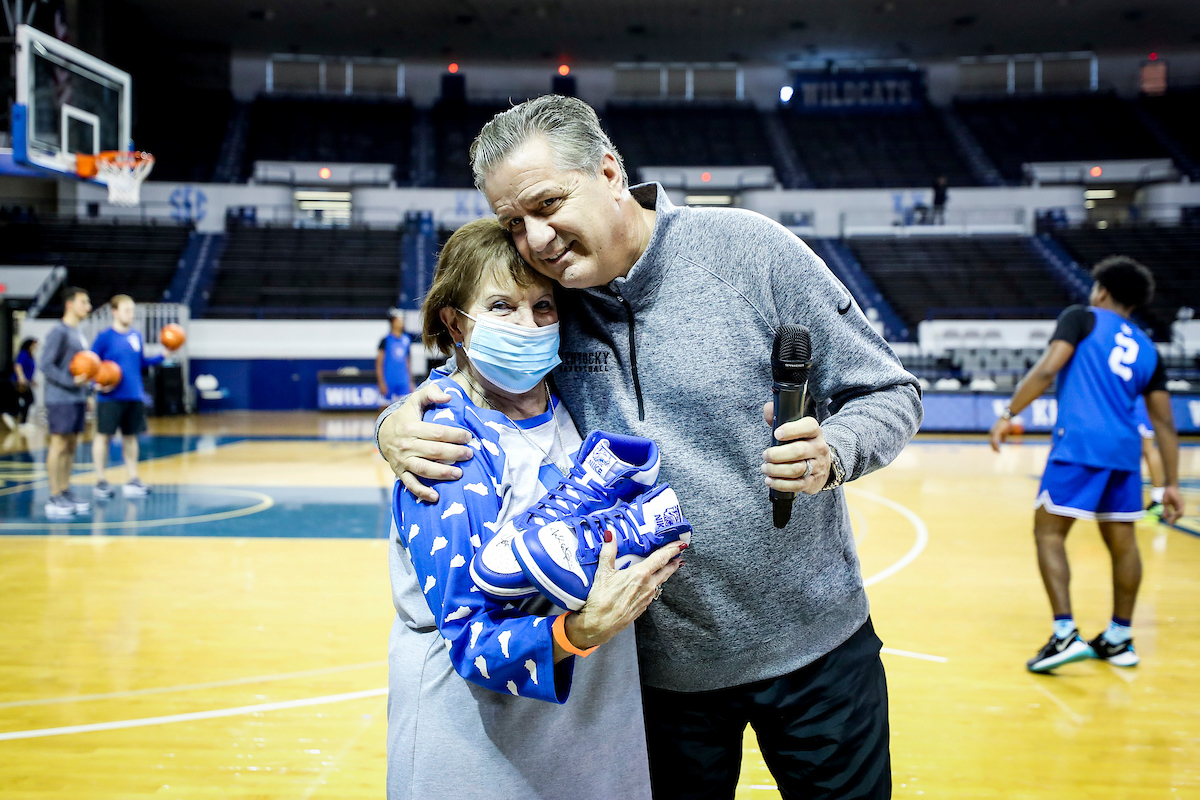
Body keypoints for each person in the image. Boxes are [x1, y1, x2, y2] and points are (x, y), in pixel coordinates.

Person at [377, 95, 922, 799]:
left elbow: (891, 393)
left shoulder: (750, 251)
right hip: (658, 676)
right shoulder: (552, 301)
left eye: (547, 204)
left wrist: (834, 452)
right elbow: (470, 370)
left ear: (608, 171)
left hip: (815, 648)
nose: (536, 238)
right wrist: (393, 421)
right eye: (516, 221)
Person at [387, 217, 684, 800]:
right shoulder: (445, 443)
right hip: (482, 743)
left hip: (593, 726)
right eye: (501, 306)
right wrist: (583, 629)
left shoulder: (567, 398)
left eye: (543, 307)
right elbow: (471, 638)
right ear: (455, 321)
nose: (528, 325)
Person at [990, 256, 1183, 674]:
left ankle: (1064, 634)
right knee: (1124, 542)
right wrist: (1170, 484)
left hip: (1079, 445)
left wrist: (1009, 414)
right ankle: (1120, 637)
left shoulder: (1082, 318)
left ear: (1101, 290)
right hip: (1125, 452)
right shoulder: (1148, 347)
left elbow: (1047, 370)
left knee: (1048, 531)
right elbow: (1165, 423)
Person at [90, 295, 164, 498]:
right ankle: (101, 481)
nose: (131, 314)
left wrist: (163, 355)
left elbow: (141, 363)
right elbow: (90, 363)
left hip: (134, 395)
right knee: (103, 437)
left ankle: (132, 479)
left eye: (132, 310)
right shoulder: (104, 337)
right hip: (110, 398)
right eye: (126, 310)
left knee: (131, 438)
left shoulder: (136, 336)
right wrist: (94, 385)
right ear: (114, 311)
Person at [40, 286, 93, 519]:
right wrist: (72, 382)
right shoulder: (58, 332)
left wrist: (87, 391)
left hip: (77, 398)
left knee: (71, 446)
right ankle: (53, 496)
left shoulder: (78, 333)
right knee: (59, 444)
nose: (88, 307)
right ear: (69, 304)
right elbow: (46, 365)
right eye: (84, 302)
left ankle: (65, 490)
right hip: (60, 398)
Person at [1134, 396, 1167, 520]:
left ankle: (1158, 499)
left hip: (1137, 403)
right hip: (1145, 403)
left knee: (1147, 448)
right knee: (1148, 448)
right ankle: (1158, 498)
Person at [376, 308, 415, 404]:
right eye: (399, 319)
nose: (402, 322)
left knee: (405, 407)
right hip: (389, 380)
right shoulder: (385, 340)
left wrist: (410, 381)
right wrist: (381, 382)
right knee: (384, 407)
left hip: (403, 381)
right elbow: (379, 363)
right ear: (393, 322)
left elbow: (408, 362)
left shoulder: (406, 340)